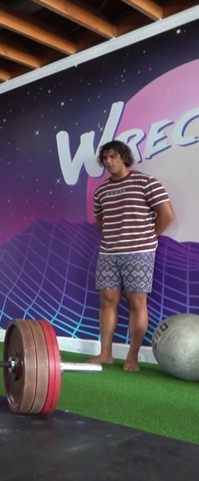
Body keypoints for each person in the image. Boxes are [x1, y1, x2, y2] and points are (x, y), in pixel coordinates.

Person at [87, 140, 174, 372]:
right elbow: (100, 220)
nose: (108, 161)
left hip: (139, 253)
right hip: (108, 252)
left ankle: (132, 357)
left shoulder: (146, 182)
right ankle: (105, 354)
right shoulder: (101, 191)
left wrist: (147, 238)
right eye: (105, 158)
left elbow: (166, 214)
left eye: (113, 156)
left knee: (137, 302)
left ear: (124, 157)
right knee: (107, 301)